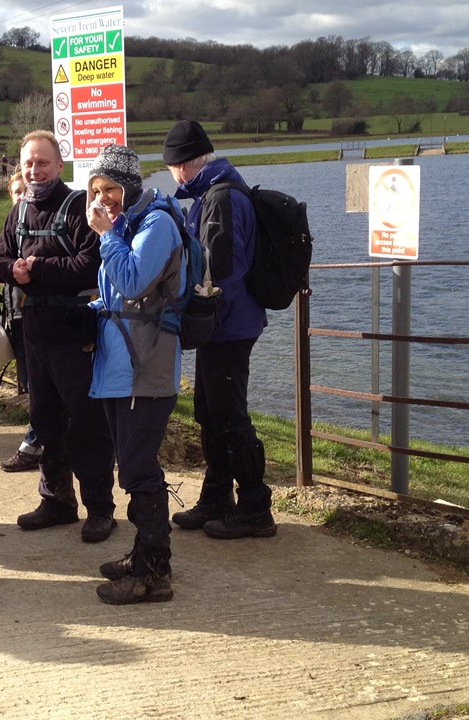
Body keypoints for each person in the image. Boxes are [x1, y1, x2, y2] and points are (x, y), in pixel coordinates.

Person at [0, 130, 116, 543]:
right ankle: (56, 500)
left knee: (86, 423)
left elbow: (89, 265)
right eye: (28, 163)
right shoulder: (18, 211)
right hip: (34, 331)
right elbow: (5, 255)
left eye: (43, 162)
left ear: (60, 166)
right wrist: (10, 271)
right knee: (44, 420)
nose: (34, 170)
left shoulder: (79, 206)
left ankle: (100, 509)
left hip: (75, 330)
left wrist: (34, 270)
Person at [163, 119, 277, 540]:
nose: (173, 175)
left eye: (172, 165)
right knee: (210, 412)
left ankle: (254, 506)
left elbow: (221, 271)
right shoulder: (218, 192)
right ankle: (217, 496)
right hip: (228, 323)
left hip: (229, 326)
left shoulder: (220, 199)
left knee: (229, 416)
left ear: (185, 163)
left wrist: (201, 318)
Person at [83, 144, 184, 604]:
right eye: (97, 191)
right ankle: (145, 551)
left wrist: (106, 236)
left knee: (140, 469)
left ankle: (153, 572)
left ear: (131, 188)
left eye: (112, 190)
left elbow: (132, 281)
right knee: (132, 468)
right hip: (118, 368)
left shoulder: (157, 224)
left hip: (144, 368)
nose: (104, 200)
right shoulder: (127, 226)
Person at [0, 171, 42, 473]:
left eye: (24, 190)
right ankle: (38, 440)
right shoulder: (13, 224)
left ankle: (35, 443)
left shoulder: (34, 225)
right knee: (28, 382)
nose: (20, 196)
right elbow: (7, 263)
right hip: (17, 314)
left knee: (37, 384)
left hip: (34, 313)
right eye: (15, 192)